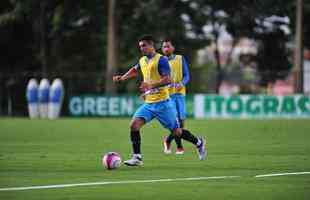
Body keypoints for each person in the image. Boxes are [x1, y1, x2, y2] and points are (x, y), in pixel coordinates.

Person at [113, 35, 207, 166]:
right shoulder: (143, 60)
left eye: (144, 45)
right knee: (134, 125)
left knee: (177, 132)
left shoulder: (161, 60)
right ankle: (137, 157)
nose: (142, 48)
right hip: (149, 103)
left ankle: (199, 142)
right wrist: (122, 78)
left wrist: (150, 86)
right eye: (140, 46)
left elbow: (167, 79)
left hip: (163, 103)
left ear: (151, 46)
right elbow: (134, 70)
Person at [161, 39, 189, 155]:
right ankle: (179, 147)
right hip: (167, 95)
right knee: (176, 121)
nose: (166, 49)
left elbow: (187, 75)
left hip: (180, 94)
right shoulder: (160, 61)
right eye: (164, 47)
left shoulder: (180, 58)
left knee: (182, 123)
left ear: (173, 48)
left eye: (168, 46)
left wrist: (181, 83)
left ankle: (167, 140)